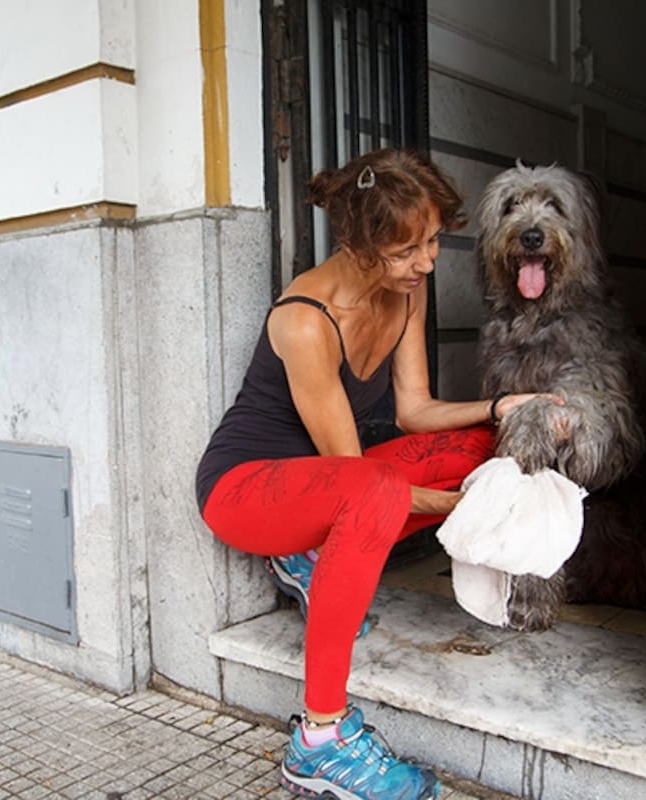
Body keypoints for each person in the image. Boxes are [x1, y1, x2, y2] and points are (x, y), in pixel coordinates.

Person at [195, 148, 558, 800]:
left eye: (433, 242)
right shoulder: (304, 321)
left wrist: (507, 407)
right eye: (406, 249)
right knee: (380, 489)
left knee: (480, 445)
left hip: (333, 483)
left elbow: (416, 411)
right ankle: (321, 740)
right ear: (359, 246)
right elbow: (354, 474)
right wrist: (467, 508)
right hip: (247, 488)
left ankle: (310, 555)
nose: (425, 262)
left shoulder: (405, 292)